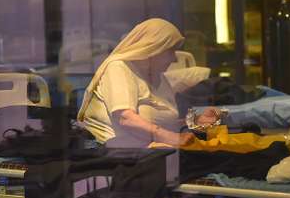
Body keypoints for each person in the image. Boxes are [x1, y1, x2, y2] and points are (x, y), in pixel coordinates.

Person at [77, 18, 219, 148]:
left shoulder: (158, 78)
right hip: (121, 155)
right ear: (153, 48)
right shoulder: (118, 67)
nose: (175, 59)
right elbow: (126, 119)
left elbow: (160, 124)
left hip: (153, 150)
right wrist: (172, 138)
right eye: (171, 51)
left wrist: (194, 122)